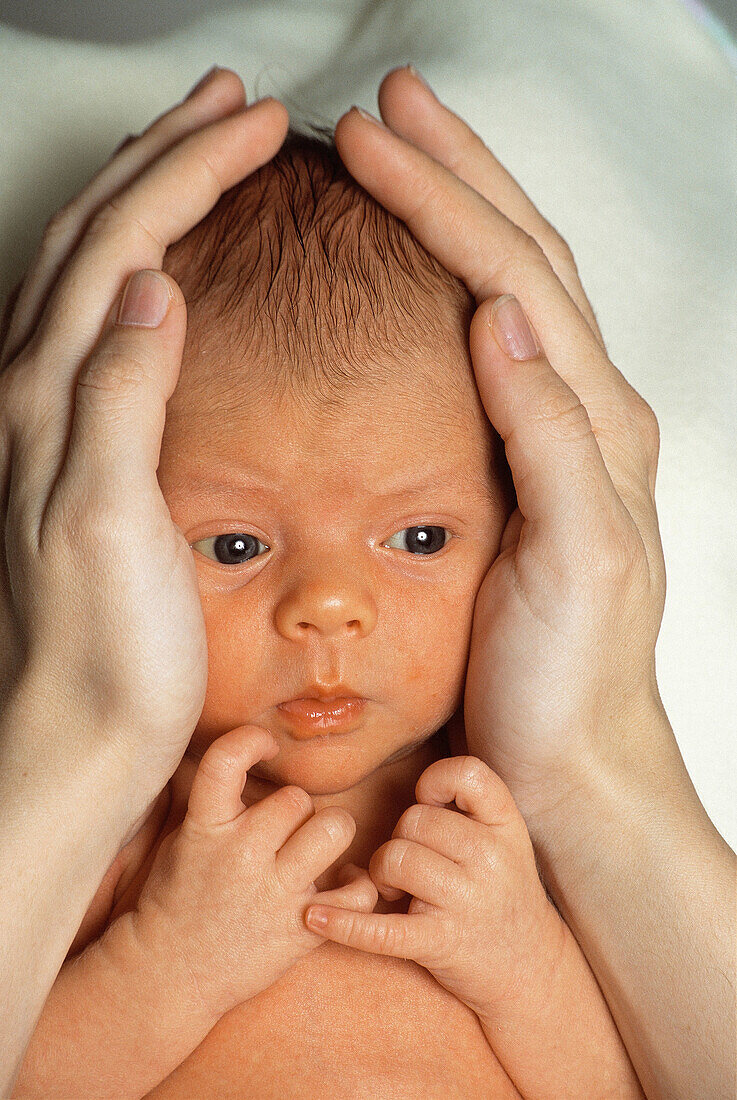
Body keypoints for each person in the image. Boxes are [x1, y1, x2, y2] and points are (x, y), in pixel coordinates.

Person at [0, 65, 733, 1099]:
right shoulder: (138, 839)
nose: (330, 605)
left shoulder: (503, 842)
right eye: (236, 544)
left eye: (421, 533)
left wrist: (523, 966)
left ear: (517, 527)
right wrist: (160, 965)